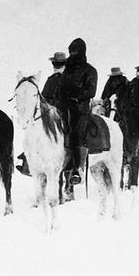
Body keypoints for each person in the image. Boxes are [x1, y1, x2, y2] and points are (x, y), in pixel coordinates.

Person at [16, 51, 68, 175]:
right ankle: (29, 159)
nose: (57, 65)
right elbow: (44, 96)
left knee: (70, 130)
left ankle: (71, 158)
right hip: (49, 111)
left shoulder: (68, 79)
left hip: (64, 111)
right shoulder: (51, 79)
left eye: (59, 64)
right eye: (55, 63)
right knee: (35, 129)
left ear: (64, 64)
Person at [59, 38, 98, 185]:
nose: (72, 54)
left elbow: (91, 91)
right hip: (63, 107)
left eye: (75, 51)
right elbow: (61, 87)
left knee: (77, 134)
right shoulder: (67, 70)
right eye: (71, 51)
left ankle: (76, 168)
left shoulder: (90, 70)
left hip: (80, 109)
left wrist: (77, 95)